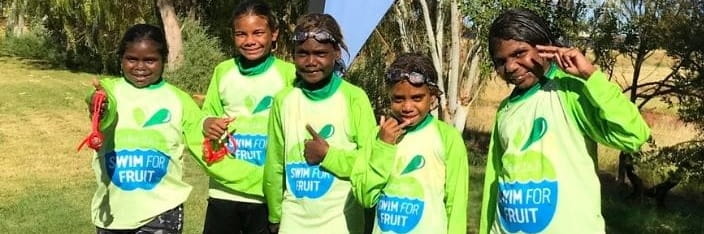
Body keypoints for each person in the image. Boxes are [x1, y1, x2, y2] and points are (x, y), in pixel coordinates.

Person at [479, 8, 651, 234]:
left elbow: (633, 135)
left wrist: (592, 76)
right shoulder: (505, 110)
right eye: (501, 61)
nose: (510, 67)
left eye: (520, 53)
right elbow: (495, 182)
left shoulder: (570, 91)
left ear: (544, 47)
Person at [263, 13, 376, 234]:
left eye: (320, 53)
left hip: (341, 224)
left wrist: (328, 156)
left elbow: (370, 164)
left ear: (336, 53)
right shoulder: (284, 100)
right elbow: (275, 164)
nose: (311, 62)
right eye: (302, 53)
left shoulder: (354, 98)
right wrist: (275, 214)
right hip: (293, 223)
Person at [87, 24, 206, 233]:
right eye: (132, 59)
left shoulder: (179, 99)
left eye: (150, 60)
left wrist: (212, 125)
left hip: (162, 210)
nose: (140, 67)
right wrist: (98, 104)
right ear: (121, 58)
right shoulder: (109, 91)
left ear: (163, 60)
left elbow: (203, 139)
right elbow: (100, 107)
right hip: (113, 212)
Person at [197, 1, 295, 233]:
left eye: (258, 32)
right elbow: (206, 115)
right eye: (241, 34)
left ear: (274, 34)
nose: (250, 41)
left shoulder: (289, 74)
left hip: (266, 192)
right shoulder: (223, 71)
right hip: (224, 190)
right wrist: (208, 123)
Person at [351, 53, 469, 234]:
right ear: (389, 97)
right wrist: (383, 146)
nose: (407, 107)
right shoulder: (377, 136)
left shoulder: (447, 138)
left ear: (432, 97)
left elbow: (456, 205)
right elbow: (365, 197)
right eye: (398, 99)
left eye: (417, 98)